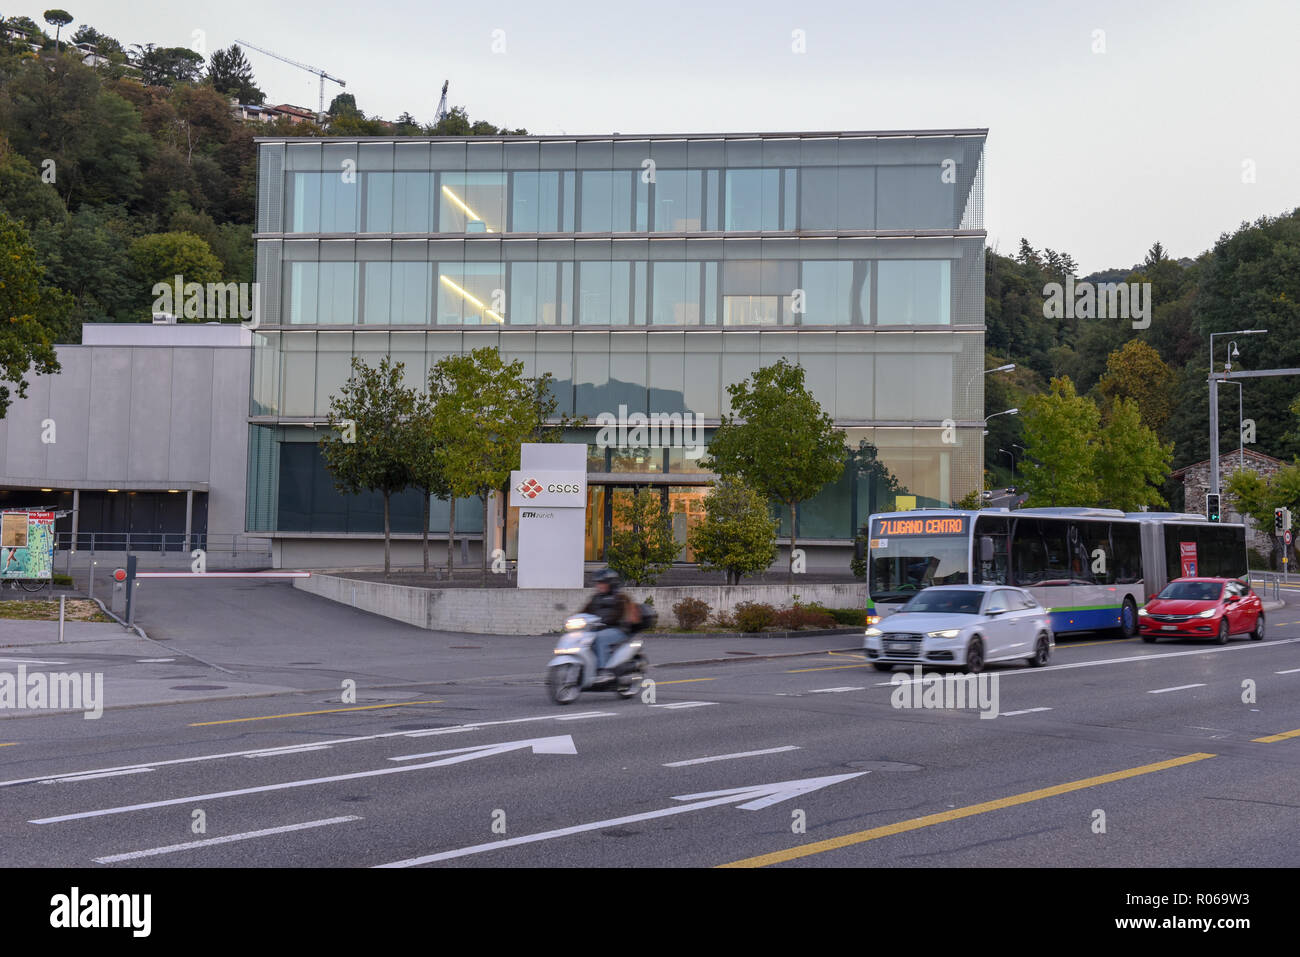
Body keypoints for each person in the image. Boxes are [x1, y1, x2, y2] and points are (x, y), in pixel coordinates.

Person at [581, 569, 641, 677]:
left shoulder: (621, 598)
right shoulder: (595, 598)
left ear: (611, 583)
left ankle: (604, 671)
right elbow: (584, 611)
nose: (599, 585)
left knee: (599, 638)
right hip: (598, 628)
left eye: (602, 582)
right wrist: (573, 618)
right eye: (598, 582)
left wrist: (604, 622)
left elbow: (623, 614)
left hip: (618, 630)